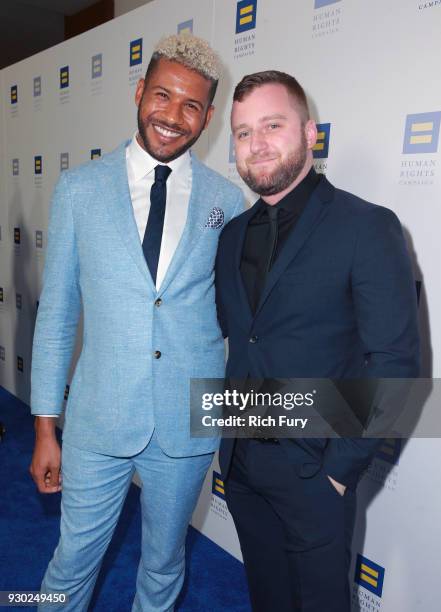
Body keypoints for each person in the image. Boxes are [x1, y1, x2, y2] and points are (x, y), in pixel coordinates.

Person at [29, 33, 243, 612]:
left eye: (191, 105)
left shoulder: (230, 202)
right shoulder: (79, 190)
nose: (173, 116)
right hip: (98, 417)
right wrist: (46, 427)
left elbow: (242, 316)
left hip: (186, 419)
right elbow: (56, 317)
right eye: (162, 95)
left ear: (208, 118)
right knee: (71, 562)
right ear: (138, 92)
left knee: (164, 564)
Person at [215, 71, 420, 612]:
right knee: (267, 597)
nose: (256, 143)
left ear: (309, 133)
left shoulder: (366, 226)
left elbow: (395, 363)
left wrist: (337, 471)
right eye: (242, 132)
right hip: (240, 466)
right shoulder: (232, 236)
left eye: (272, 125)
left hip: (315, 470)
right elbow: (239, 339)